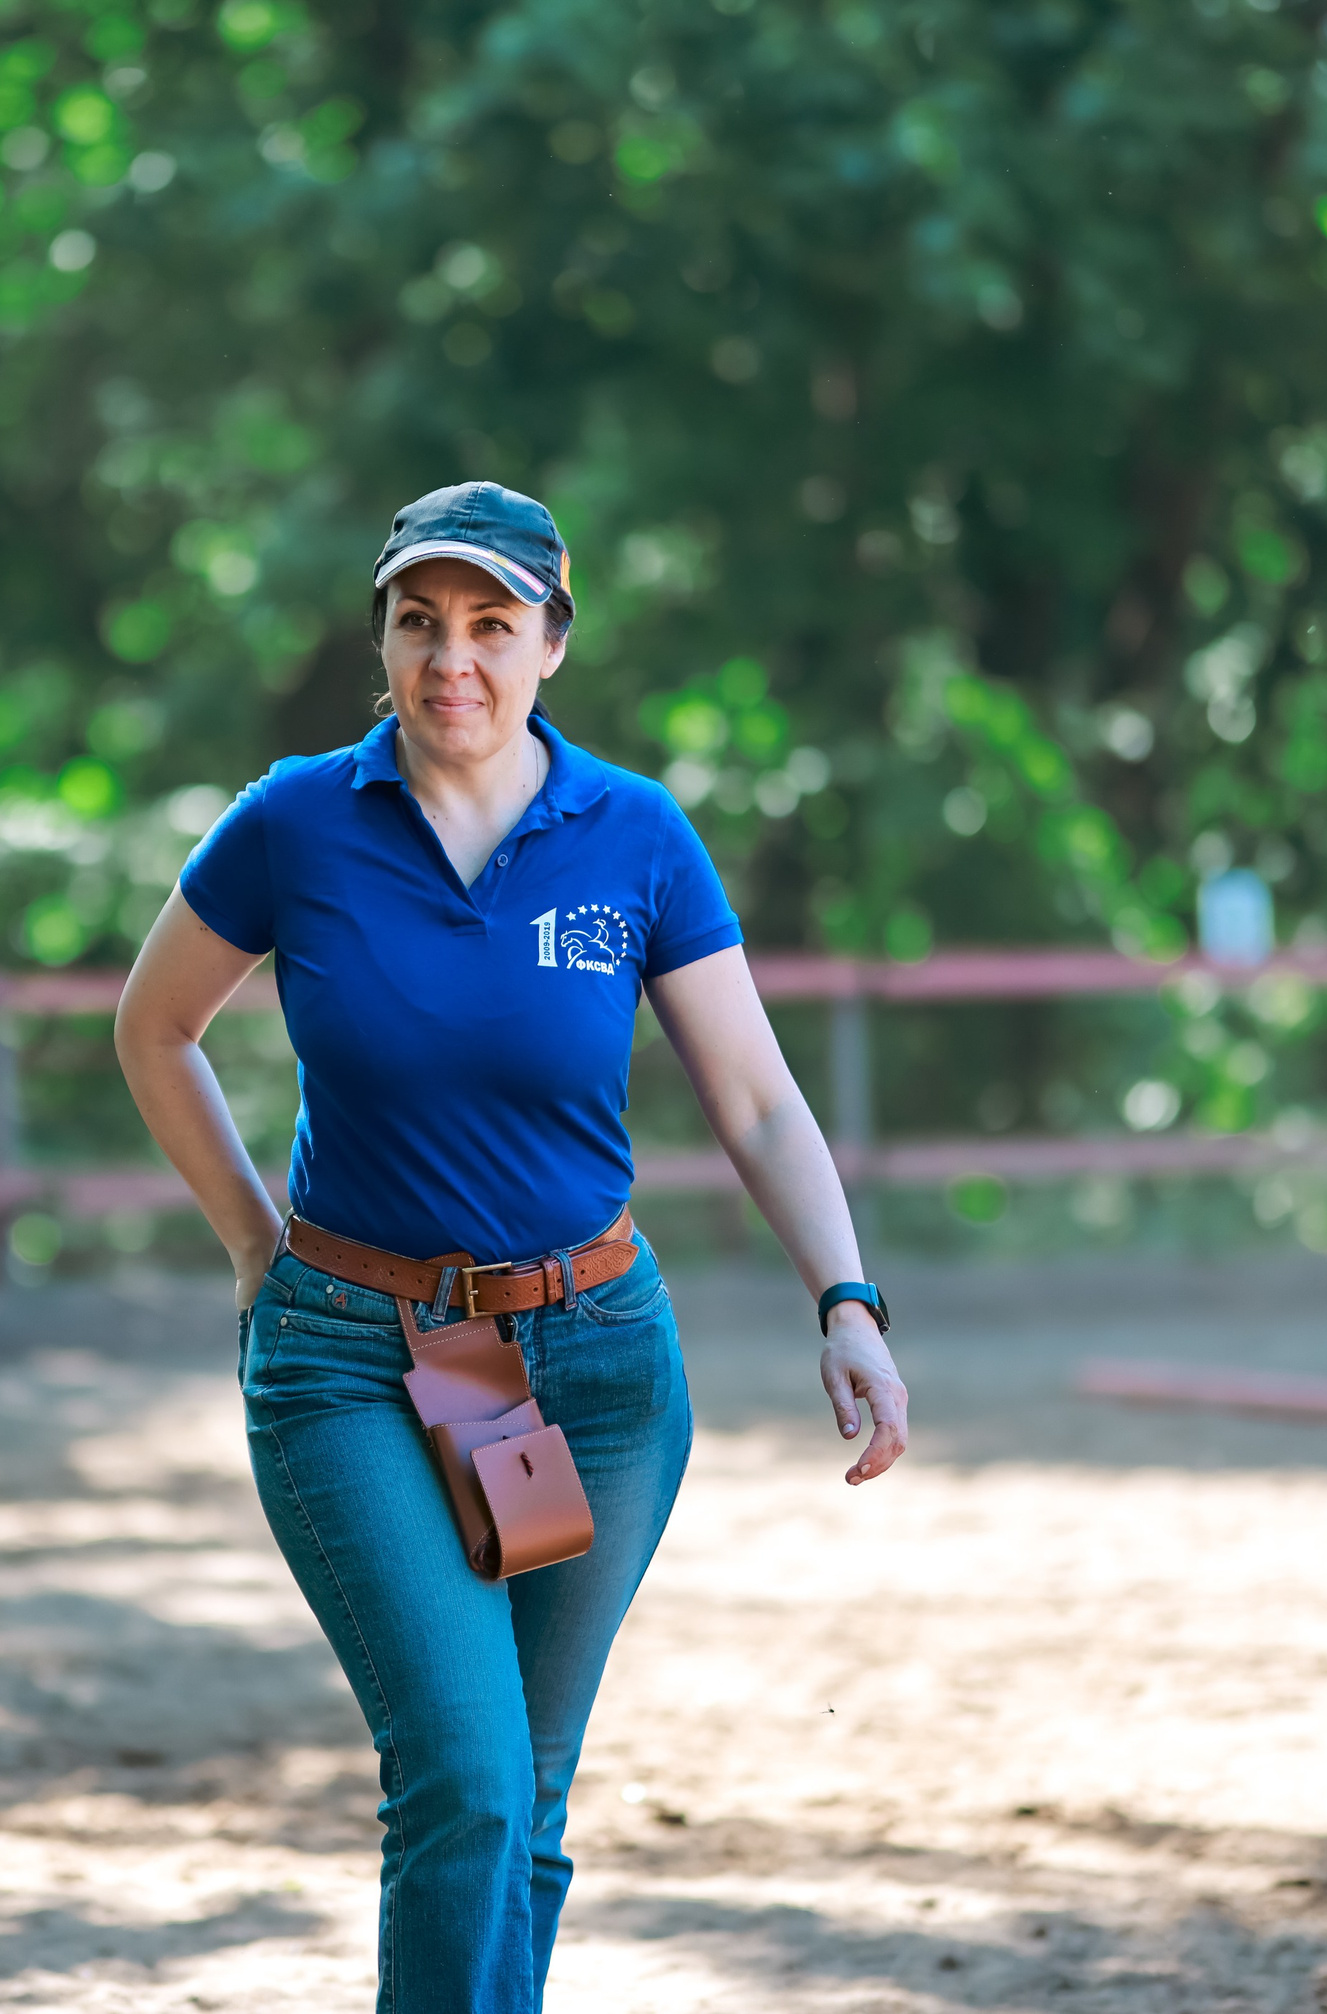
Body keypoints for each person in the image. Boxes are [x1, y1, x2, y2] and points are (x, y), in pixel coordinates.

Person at [113, 482, 909, 2013]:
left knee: (528, 1807)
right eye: (420, 623)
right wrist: (256, 1247)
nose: (452, 659)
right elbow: (156, 1030)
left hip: (594, 1368)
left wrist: (849, 1297)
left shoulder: (634, 835)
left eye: (491, 624)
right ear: (384, 641)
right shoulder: (294, 822)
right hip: (352, 1356)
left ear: (553, 638)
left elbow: (753, 1097)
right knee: (466, 1779)